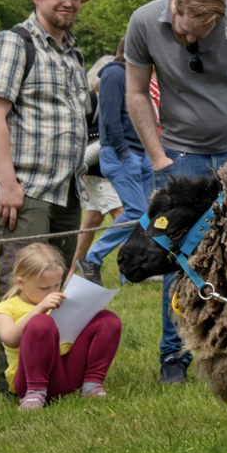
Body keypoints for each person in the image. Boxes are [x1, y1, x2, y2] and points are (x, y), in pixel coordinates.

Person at [122, 0, 227, 384]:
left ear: (218, 18)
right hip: (181, 155)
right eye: (180, 28)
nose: (186, 38)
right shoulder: (143, 21)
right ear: (175, 8)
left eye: (198, 33)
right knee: (174, 255)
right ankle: (174, 356)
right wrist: (158, 157)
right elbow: (136, 92)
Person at [0, 0, 98, 296]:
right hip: (25, 193)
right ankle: (14, 353)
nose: (69, 3)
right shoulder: (12, 43)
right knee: (22, 294)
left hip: (67, 192)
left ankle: (49, 352)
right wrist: (7, 184)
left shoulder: (73, 54)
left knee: (54, 292)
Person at [0, 242, 121, 408]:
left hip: (68, 375)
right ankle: (35, 394)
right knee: (41, 322)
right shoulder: (5, 308)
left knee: (108, 319)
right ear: (21, 283)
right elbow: (9, 338)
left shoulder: (61, 300)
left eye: (57, 285)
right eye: (44, 287)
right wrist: (39, 309)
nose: (52, 292)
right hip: (30, 382)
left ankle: (92, 384)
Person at [76, 53, 152, 284]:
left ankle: (129, 271)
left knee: (144, 215)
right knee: (134, 212)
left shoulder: (137, 75)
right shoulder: (114, 73)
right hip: (121, 154)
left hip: (141, 152)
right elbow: (109, 118)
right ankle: (91, 258)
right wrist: (123, 151)